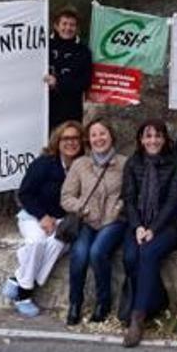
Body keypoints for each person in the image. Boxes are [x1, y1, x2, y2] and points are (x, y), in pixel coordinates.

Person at [0, 121, 85, 317]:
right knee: (36, 242)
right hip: (34, 215)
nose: (71, 142)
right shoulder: (44, 163)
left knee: (59, 243)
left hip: (63, 220)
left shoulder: (83, 165)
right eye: (66, 138)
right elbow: (25, 194)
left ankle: (17, 279)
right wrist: (43, 216)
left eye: (75, 138)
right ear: (58, 141)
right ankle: (24, 294)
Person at [121, 119, 177, 347]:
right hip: (138, 223)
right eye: (148, 136)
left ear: (165, 139)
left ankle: (138, 317)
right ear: (141, 139)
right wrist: (138, 226)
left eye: (157, 136)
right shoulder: (133, 163)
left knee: (147, 254)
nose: (153, 140)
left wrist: (153, 229)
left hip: (167, 225)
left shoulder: (176, 162)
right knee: (130, 257)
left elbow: (172, 201)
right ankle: (158, 299)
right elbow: (128, 199)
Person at [60, 118, 127, 325]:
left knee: (98, 252)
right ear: (89, 140)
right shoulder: (81, 164)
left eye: (103, 133)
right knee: (79, 254)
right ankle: (75, 304)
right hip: (88, 219)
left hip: (113, 221)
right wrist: (81, 207)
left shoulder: (125, 163)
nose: (99, 138)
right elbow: (66, 196)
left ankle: (103, 303)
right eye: (94, 135)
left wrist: (118, 208)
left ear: (111, 136)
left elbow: (132, 194)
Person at [44, 6, 92, 129]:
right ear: (56, 26)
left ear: (76, 28)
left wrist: (58, 82)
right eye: (64, 24)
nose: (67, 28)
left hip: (70, 113)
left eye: (72, 25)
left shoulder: (83, 51)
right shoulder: (43, 46)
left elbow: (84, 82)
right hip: (43, 110)